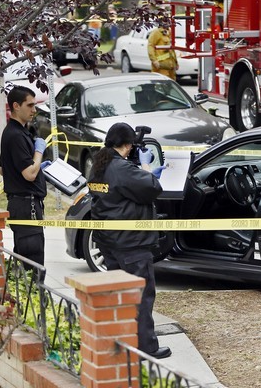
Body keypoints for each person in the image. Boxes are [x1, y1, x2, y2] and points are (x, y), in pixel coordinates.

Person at [87, 122, 171, 359]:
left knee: (121, 295)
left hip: (109, 241)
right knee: (141, 295)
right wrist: (146, 166)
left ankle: (123, 341)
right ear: (126, 145)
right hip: (131, 243)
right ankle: (146, 347)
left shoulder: (98, 166)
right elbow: (153, 187)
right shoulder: (121, 168)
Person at [0, 86, 49, 274]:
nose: (34, 110)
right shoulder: (15, 135)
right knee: (33, 266)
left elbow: (3, 168)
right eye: (29, 105)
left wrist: (38, 168)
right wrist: (38, 153)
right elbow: (29, 174)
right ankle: (36, 301)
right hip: (26, 206)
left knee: (24, 261)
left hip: (23, 204)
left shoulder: (17, 132)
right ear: (16, 106)